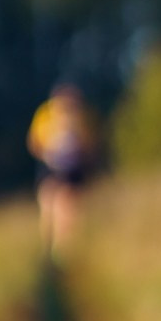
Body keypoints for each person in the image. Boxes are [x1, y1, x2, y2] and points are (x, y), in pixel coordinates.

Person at [27, 83, 101, 252]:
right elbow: (33, 142)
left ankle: (64, 248)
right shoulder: (45, 115)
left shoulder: (83, 117)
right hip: (49, 167)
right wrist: (48, 154)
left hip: (73, 170)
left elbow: (91, 146)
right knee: (47, 205)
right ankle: (47, 246)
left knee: (67, 207)